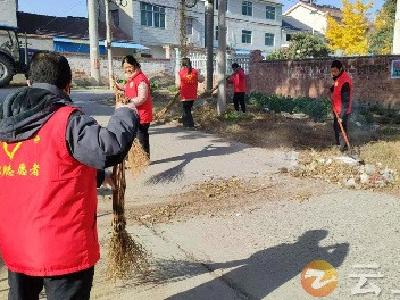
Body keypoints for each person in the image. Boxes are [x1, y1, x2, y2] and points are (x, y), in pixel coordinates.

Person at [0, 52, 139, 299]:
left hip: (17, 243)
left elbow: (47, 164)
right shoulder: (68, 121)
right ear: (67, 86)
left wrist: (96, 175)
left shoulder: (6, 121)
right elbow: (110, 146)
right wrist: (125, 113)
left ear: (29, 81)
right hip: (62, 250)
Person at [116, 55, 153, 158]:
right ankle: (136, 158)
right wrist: (121, 88)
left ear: (134, 65)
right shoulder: (130, 78)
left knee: (141, 137)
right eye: (124, 68)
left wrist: (128, 102)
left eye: (129, 67)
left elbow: (142, 98)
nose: (127, 69)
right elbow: (129, 89)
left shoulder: (141, 79)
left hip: (142, 114)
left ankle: (144, 159)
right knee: (133, 137)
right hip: (133, 113)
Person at [330, 60, 352, 151]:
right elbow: (336, 88)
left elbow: (346, 101)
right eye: (332, 71)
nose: (333, 73)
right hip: (336, 109)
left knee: (341, 128)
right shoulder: (338, 77)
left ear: (340, 69)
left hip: (343, 110)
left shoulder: (345, 81)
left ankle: (343, 147)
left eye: (335, 71)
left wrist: (342, 116)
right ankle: (339, 144)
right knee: (336, 127)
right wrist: (332, 88)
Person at [177, 57, 204, 128]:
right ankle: (186, 124)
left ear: (182, 63)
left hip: (184, 94)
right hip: (193, 94)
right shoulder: (195, 71)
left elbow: (178, 85)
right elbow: (201, 80)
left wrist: (180, 88)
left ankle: (189, 124)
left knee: (186, 109)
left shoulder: (181, 72)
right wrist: (201, 76)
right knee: (188, 108)